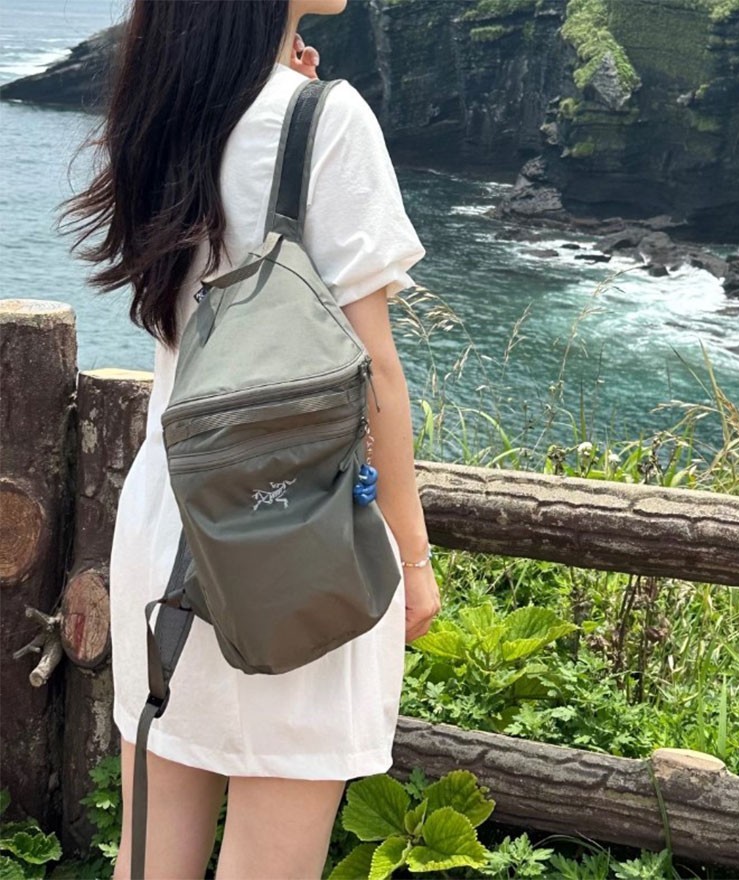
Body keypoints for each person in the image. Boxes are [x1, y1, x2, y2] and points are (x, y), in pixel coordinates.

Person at [58, 1, 442, 877]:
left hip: (171, 523)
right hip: (296, 536)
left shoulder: (163, 111)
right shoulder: (326, 119)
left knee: (151, 857)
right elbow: (376, 372)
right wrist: (413, 560)